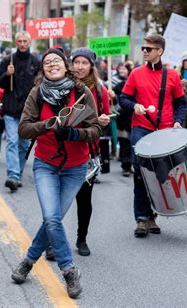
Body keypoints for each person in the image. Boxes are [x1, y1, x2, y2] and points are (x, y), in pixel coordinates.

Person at [11, 48, 101, 299]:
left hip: (76, 167)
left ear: (65, 65)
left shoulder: (81, 91)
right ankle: (69, 270)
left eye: (56, 61)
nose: (52, 64)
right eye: (47, 62)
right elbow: (23, 129)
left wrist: (76, 134)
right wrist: (47, 125)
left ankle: (28, 262)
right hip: (46, 165)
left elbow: (95, 129)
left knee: (53, 220)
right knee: (52, 218)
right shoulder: (36, 93)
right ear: (43, 69)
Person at [119, 33, 186, 237]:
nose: (145, 52)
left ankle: (151, 217)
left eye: (149, 49)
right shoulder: (136, 73)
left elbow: (181, 104)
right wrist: (135, 106)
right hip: (141, 128)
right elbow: (124, 99)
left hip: (165, 131)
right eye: (143, 48)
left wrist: (178, 121)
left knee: (160, 175)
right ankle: (140, 218)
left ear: (160, 51)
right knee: (140, 173)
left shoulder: (172, 76)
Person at [69, 47, 111, 257]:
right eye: (76, 62)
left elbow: (106, 116)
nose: (80, 66)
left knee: (84, 200)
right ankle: (51, 241)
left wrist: (103, 120)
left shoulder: (100, 90)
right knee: (58, 201)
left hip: (87, 152)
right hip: (63, 150)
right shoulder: (63, 85)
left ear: (91, 66)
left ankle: (81, 238)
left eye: (84, 63)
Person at [0, 31, 40, 191]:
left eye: (25, 41)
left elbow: (42, 83)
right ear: (16, 42)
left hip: (28, 111)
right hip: (10, 109)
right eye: (19, 41)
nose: (22, 44)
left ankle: (18, 174)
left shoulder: (36, 61)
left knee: (24, 144)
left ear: (29, 42)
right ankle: (13, 175)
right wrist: (7, 75)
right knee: (12, 141)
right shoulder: (8, 60)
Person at [110, 62, 133, 176]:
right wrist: (112, 97)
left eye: (124, 69)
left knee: (132, 143)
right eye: (120, 69)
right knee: (124, 143)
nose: (122, 71)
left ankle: (131, 164)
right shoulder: (117, 86)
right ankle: (126, 166)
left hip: (134, 118)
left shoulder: (135, 84)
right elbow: (112, 104)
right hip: (122, 119)